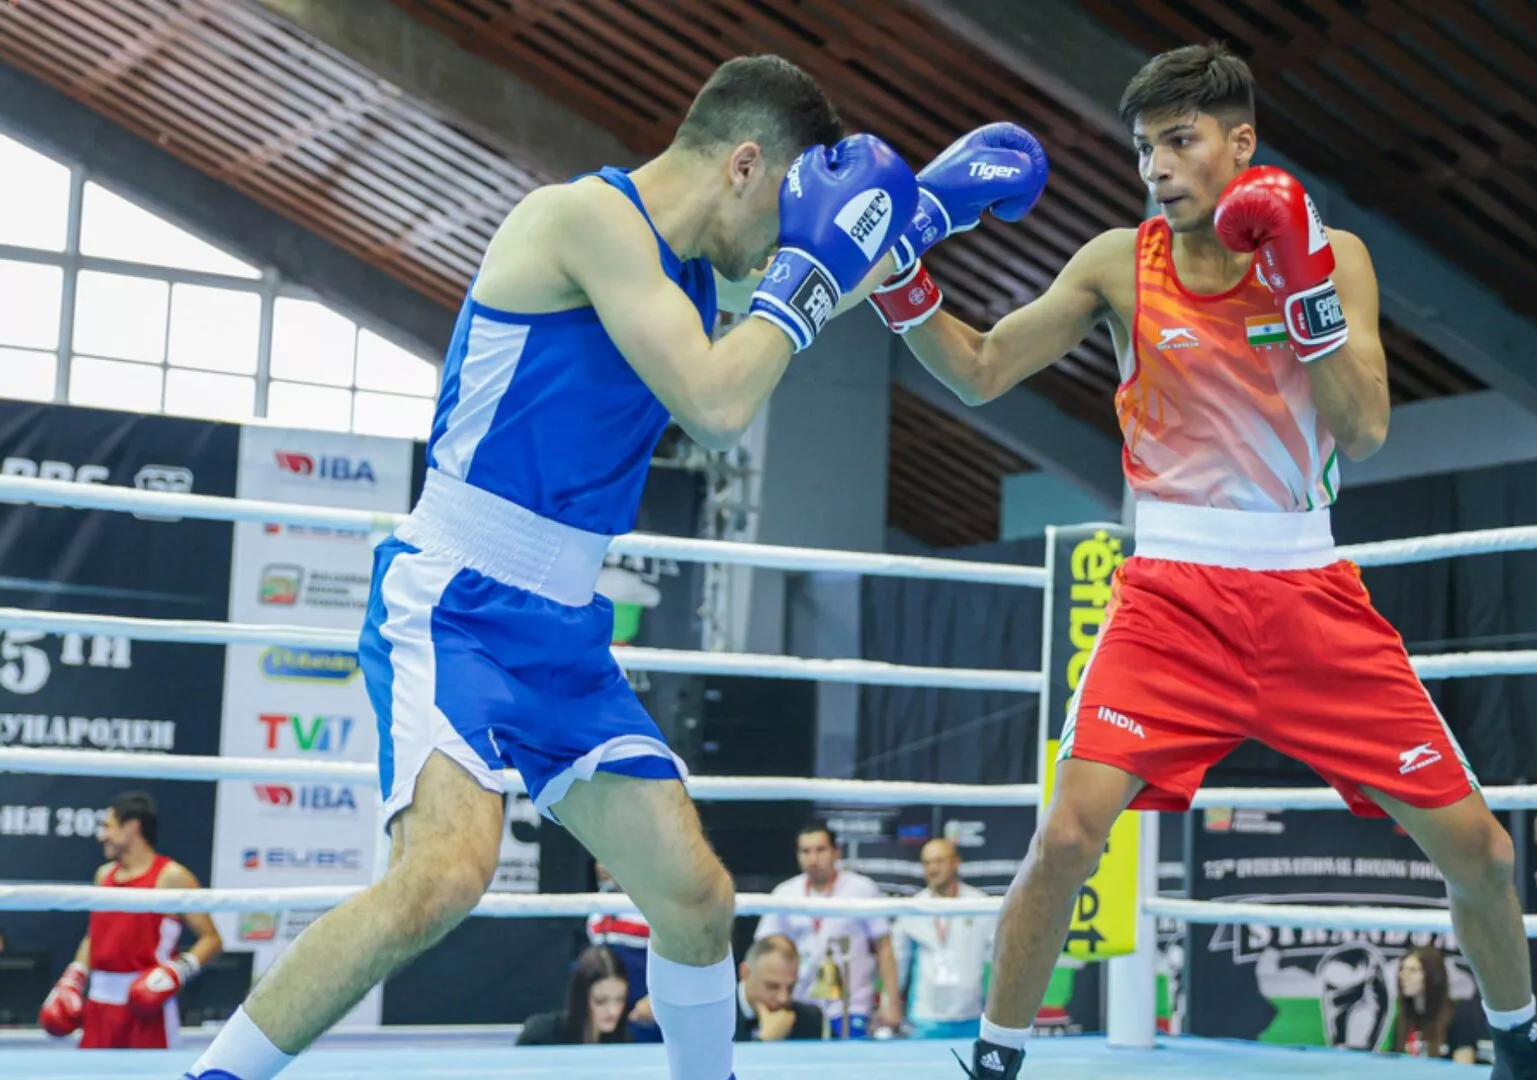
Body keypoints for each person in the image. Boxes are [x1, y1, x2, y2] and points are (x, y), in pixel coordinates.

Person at [182, 49, 1045, 1080]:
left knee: (694, 897)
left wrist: (910, 227)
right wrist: (819, 268)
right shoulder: (582, 222)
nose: (782, 238)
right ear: (745, 165)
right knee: (440, 878)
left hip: (562, 624)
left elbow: (759, 340)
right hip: (457, 595)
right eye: (788, 206)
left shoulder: (676, 280)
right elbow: (722, 404)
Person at [868, 42, 1537, 1080]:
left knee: (1483, 853)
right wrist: (895, 275)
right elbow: (978, 370)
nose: (1155, 166)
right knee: (1065, 839)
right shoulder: (1118, 262)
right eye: (1144, 146)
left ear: (1239, 145)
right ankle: (993, 1062)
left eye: (1179, 141)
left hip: (1310, 596)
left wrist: (1302, 289)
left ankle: (1517, 1047)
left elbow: (1365, 427)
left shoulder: (1337, 259)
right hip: (1167, 602)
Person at [39, 791, 223, 1049]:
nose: (101, 835)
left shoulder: (171, 877)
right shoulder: (104, 876)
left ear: (132, 827)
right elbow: (95, 935)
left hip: (148, 1008)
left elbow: (211, 938)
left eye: (108, 826)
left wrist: (176, 971)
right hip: (98, 1010)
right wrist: (73, 977)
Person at [755, 821, 903, 1038]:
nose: (813, 859)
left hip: (850, 1007)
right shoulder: (785, 894)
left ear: (836, 852)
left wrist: (892, 1003)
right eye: (806, 851)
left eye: (820, 850)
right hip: (799, 1005)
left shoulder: (862, 890)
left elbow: (884, 948)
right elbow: (763, 952)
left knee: (848, 1070)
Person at [892, 839, 994, 1040]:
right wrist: (891, 1003)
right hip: (924, 1018)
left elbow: (1002, 956)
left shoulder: (981, 904)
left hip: (971, 1016)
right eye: (927, 863)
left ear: (956, 862)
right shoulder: (913, 907)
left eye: (939, 861)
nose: (932, 868)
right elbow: (898, 961)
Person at [586, 861, 657, 1040]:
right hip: (608, 1016)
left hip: (646, 1017)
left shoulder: (659, 904)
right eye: (598, 859)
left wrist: (658, 1000)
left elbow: (690, 961)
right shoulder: (597, 904)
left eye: (607, 859)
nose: (601, 867)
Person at [516, 945, 631, 1046]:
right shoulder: (540, 1036)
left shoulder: (624, 1043)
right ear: (581, 998)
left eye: (620, 1000)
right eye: (600, 1001)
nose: (613, 1011)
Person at [1389, 946, 1481, 1064]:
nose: (1403, 976)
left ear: (1432, 975)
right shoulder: (1403, 1016)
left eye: (1413, 970)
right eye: (1402, 969)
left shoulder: (1458, 1017)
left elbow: (1464, 1070)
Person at [733, 935, 825, 1042]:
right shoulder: (715, 1017)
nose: (783, 998)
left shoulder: (810, 1020)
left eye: (790, 987)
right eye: (772, 986)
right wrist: (766, 1040)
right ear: (745, 973)